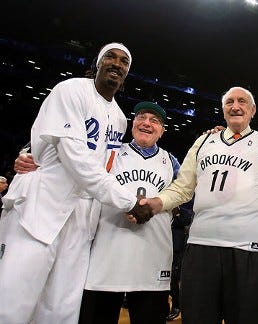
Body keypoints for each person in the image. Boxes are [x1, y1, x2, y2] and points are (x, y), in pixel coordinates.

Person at [0, 42, 152, 324]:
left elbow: (107, 169)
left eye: (124, 62)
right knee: (13, 300)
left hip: (81, 217)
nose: (117, 64)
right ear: (97, 62)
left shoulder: (119, 118)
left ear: (127, 73)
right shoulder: (71, 90)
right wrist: (129, 202)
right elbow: (75, 157)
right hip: (41, 205)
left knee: (61, 309)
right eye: (111, 57)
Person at [139, 86, 258, 324]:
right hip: (201, 247)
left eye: (242, 101)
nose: (235, 106)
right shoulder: (204, 141)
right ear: (223, 110)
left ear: (253, 110)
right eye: (229, 102)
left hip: (250, 250)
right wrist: (156, 203)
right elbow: (182, 187)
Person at [77, 101, 179, 324]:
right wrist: (33, 159)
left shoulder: (172, 162)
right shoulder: (110, 153)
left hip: (152, 258)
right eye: (141, 117)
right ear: (132, 124)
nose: (147, 123)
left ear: (162, 131)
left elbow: (185, 197)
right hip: (107, 257)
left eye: (154, 121)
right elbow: (76, 165)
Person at [167, 202, 194, 321]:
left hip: (178, 243)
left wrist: (176, 212)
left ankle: (177, 306)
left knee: (174, 276)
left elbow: (186, 219)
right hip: (163, 241)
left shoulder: (185, 199)